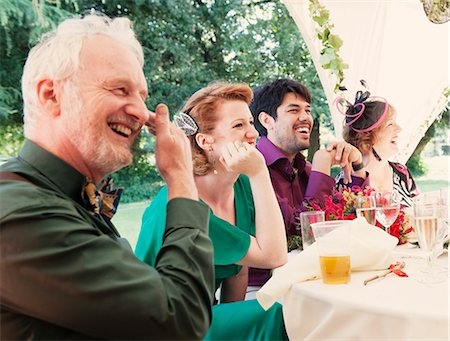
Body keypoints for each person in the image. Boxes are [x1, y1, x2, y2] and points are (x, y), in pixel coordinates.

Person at [0, 14, 215, 340]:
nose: (142, 113)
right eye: (120, 89)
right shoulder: (21, 212)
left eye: (141, 96)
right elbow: (179, 318)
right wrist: (181, 178)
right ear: (51, 95)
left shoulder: (63, 194)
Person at [135, 82, 289, 340]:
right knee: (279, 312)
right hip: (159, 329)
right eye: (239, 125)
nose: (253, 133)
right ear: (205, 141)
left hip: (202, 319)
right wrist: (260, 173)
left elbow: (239, 269)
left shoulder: (240, 184)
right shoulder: (185, 204)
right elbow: (274, 257)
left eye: (251, 122)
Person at [248, 78, 368, 288]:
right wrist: (322, 166)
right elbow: (301, 232)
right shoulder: (253, 171)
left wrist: (357, 165)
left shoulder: (305, 169)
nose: (305, 117)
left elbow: (346, 218)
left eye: (308, 110)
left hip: (312, 280)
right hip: (265, 290)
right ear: (267, 120)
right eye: (294, 110)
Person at [336, 89, 419, 206]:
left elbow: (420, 211)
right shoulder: (346, 181)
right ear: (367, 137)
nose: (399, 128)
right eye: (390, 124)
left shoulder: (402, 173)